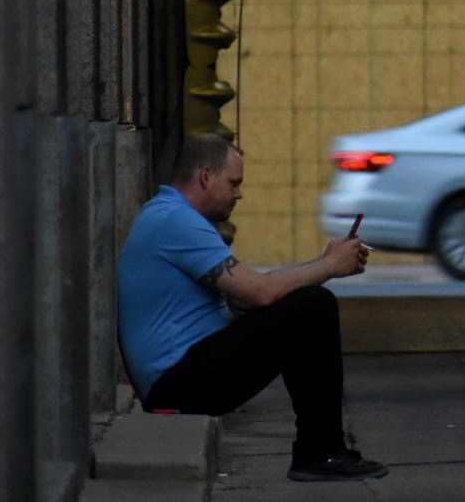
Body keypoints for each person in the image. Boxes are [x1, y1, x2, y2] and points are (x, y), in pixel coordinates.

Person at [117, 133, 387, 482]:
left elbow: (245, 294)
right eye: (234, 183)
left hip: (183, 375)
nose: (239, 194)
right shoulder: (175, 221)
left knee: (302, 303)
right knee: (312, 306)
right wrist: (330, 267)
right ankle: (321, 453)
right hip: (176, 385)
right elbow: (259, 292)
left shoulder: (172, 216)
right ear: (205, 176)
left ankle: (322, 451)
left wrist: (323, 262)